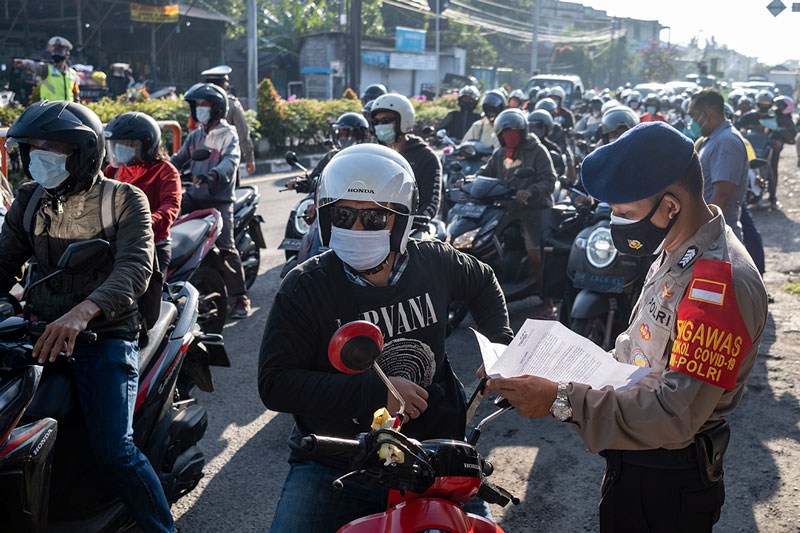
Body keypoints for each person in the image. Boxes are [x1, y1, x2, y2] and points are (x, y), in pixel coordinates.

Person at [485, 121, 768, 533]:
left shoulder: (717, 283)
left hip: (668, 480)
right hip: (637, 460)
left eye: (625, 213)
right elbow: (634, 356)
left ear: (671, 205)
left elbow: (674, 417)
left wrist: (560, 399)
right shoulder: (676, 247)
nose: (617, 223)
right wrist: (536, 372)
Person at [259, 143, 514, 533]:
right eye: (342, 215)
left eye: (376, 218)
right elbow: (275, 384)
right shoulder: (304, 286)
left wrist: (500, 345)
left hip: (435, 453)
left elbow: (482, 281)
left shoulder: (435, 261)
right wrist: (375, 391)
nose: (357, 228)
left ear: (402, 221)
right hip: (337, 458)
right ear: (325, 218)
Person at [0, 101, 174, 531]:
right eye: (33, 147)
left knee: (115, 450)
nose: (40, 155)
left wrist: (82, 313)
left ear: (83, 153)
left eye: (53, 147)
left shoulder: (123, 199)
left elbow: (135, 268)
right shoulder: (28, 199)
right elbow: (3, 263)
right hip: (39, 333)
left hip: (105, 335)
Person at [170, 83, 249, 318]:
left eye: (205, 105)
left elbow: (230, 161)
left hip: (218, 199)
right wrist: (162, 168)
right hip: (194, 197)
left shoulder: (228, 134)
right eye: (197, 106)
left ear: (217, 108)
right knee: (165, 229)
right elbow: (180, 158)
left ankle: (240, 297)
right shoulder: (196, 135)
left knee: (226, 247)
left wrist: (213, 174)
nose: (200, 109)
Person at [476, 108, 557, 317]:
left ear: (523, 132)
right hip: (508, 208)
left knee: (536, 255)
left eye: (515, 132)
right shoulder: (500, 153)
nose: (510, 136)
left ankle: (548, 301)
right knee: (483, 242)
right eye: (506, 132)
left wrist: (530, 192)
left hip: (534, 210)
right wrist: (469, 182)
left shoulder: (537, 151)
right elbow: (485, 174)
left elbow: (549, 180)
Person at [103, 111, 182, 274]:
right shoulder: (114, 169)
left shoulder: (165, 171)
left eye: (126, 145)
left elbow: (171, 206)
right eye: (116, 144)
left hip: (152, 243)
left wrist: (144, 222)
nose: (119, 150)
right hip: (116, 241)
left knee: (149, 296)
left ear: (146, 146)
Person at [689, 89, 749, 240]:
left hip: (717, 238)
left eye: (693, 115)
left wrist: (704, 236)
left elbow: (722, 196)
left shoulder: (726, 142)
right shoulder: (712, 140)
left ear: (706, 114)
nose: (692, 122)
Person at [370, 93, 442, 219]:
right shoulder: (372, 154)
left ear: (404, 121)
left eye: (385, 121)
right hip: (372, 224)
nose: (380, 126)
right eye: (376, 121)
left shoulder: (426, 157)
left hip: (412, 228)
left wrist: (408, 226)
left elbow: (430, 204)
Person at [736, 91, 796, 208]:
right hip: (749, 148)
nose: (763, 107)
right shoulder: (749, 116)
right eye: (761, 104)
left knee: (771, 171)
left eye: (766, 105)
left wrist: (778, 140)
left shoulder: (776, 118)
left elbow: (787, 133)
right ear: (756, 104)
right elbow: (735, 127)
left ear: (770, 105)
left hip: (768, 148)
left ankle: (772, 198)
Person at [201, 65, 257, 176]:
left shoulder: (199, 106)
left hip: (202, 164)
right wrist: (249, 159)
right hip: (227, 161)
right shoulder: (232, 105)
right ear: (223, 85)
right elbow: (243, 134)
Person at [14, 36, 79, 102]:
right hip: (49, 109)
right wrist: (23, 62)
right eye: (54, 52)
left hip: (67, 110)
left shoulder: (72, 73)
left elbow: (75, 93)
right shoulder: (46, 69)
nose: (56, 54)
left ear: (67, 55)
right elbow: (34, 66)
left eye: (60, 52)